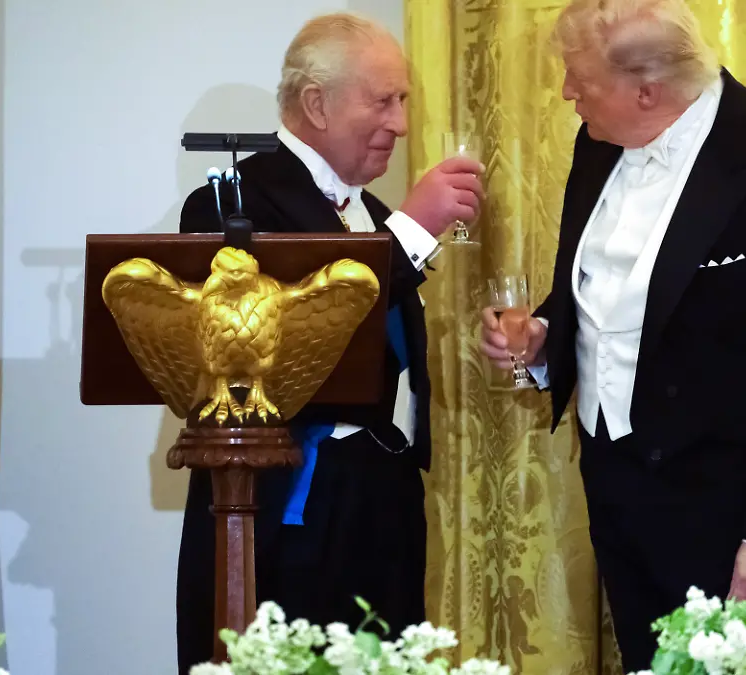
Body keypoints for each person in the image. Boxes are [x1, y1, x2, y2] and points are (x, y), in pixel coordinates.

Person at [479, 0, 746, 669]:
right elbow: (611, 283)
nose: (566, 93)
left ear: (646, 90)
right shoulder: (599, 141)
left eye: (579, 79)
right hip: (625, 491)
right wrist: (544, 334)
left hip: (736, 509)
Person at [174, 13, 484, 673]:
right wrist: (413, 231)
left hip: (383, 494)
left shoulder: (372, 213)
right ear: (316, 103)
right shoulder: (232, 206)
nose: (401, 124)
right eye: (384, 101)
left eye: (403, 100)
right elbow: (291, 343)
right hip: (286, 507)